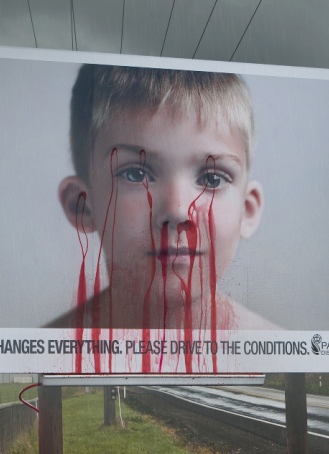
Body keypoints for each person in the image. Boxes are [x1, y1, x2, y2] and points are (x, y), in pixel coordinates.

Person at [45, 64, 274, 330]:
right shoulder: (41, 356)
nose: (178, 212)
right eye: (135, 174)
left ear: (247, 210)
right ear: (82, 206)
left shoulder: (282, 354)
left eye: (212, 179)